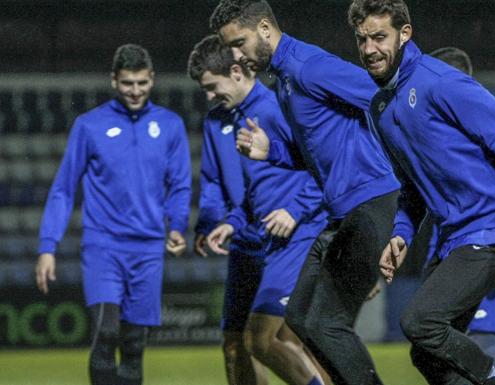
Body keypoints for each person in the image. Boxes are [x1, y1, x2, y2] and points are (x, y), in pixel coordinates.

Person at [348, 1, 495, 385]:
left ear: (404, 34)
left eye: (379, 37)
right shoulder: (380, 107)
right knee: (426, 353)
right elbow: (412, 186)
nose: (369, 48)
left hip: (494, 229)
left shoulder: (439, 81)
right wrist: (401, 233)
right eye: (362, 39)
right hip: (456, 238)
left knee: (419, 322)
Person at [210, 1, 401, 384]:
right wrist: (273, 151)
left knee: (326, 324)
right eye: (229, 47)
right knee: (301, 320)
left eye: (239, 42)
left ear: (265, 28)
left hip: (369, 200)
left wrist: (406, 162)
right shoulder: (282, 80)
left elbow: (382, 95)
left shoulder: (306, 66)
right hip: (343, 209)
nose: (236, 55)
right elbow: (316, 150)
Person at [35, 44, 191, 385]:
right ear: (113, 81)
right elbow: (63, 188)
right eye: (126, 83)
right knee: (106, 332)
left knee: (134, 344)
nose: (134, 91)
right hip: (103, 246)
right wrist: (48, 246)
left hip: (148, 249)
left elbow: (180, 184)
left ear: (152, 79)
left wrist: (177, 226)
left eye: (141, 83)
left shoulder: (170, 125)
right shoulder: (89, 126)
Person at [188, 35, 329, 385]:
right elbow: (248, 190)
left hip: (297, 237)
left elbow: (326, 167)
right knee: (241, 342)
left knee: (280, 339)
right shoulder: (223, 120)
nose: (208, 97)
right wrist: (228, 223)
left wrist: (295, 210)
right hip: (254, 239)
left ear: (236, 71)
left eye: (211, 86)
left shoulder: (276, 107)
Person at [430, 46, 495, 385]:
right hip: (452, 246)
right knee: (442, 347)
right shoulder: (441, 130)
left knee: (476, 341)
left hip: (480, 245)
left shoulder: (479, 129)